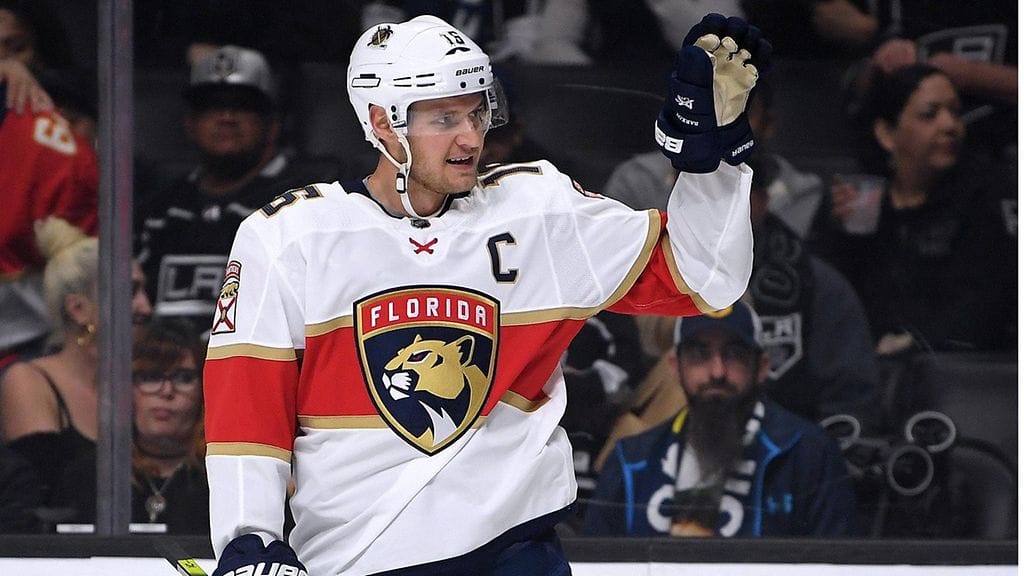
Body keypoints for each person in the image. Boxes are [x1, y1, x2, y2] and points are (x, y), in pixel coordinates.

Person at [204, 13, 768, 576]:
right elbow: (246, 412)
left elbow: (707, 276)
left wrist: (712, 164)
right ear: (382, 121)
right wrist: (249, 541)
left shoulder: (540, 211)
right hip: (351, 559)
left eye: (477, 112)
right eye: (444, 118)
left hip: (513, 554)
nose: (471, 136)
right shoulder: (288, 238)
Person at [603, 95, 882, 433]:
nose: (710, 204)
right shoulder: (629, 275)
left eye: (727, 189)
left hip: (783, 450)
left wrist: (805, 454)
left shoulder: (817, 286)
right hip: (658, 448)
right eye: (694, 188)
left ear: (761, 201)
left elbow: (850, 403)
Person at [583, 301, 857, 537]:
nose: (717, 372)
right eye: (700, 354)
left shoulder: (808, 453)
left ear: (762, 367)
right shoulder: (632, 460)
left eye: (734, 355)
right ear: (675, 368)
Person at [136, 44, 340, 336]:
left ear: (272, 124)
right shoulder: (160, 211)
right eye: (212, 105)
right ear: (189, 124)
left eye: (243, 105)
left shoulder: (304, 205)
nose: (227, 117)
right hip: (161, 362)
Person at [818, 64, 1015, 355]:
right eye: (929, 114)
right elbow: (825, 297)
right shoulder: (861, 200)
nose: (949, 125)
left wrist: (917, 342)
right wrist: (841, 236)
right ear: (887, 133)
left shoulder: (986, 197)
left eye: (955, 112)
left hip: (954, 365)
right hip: (863, 359)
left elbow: (986, 303)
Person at [0, 221, 153, 510]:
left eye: (145, 291)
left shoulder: (143, 379)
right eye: (130, 291)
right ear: (78, 309)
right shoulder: (29, 381)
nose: (146, 307)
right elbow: (44, 491)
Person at [51, 318, 210, 533]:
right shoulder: (89, 476)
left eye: (183, 377)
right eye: (151, 377)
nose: (166, 391)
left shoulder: (221, 477)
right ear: (127, 389)